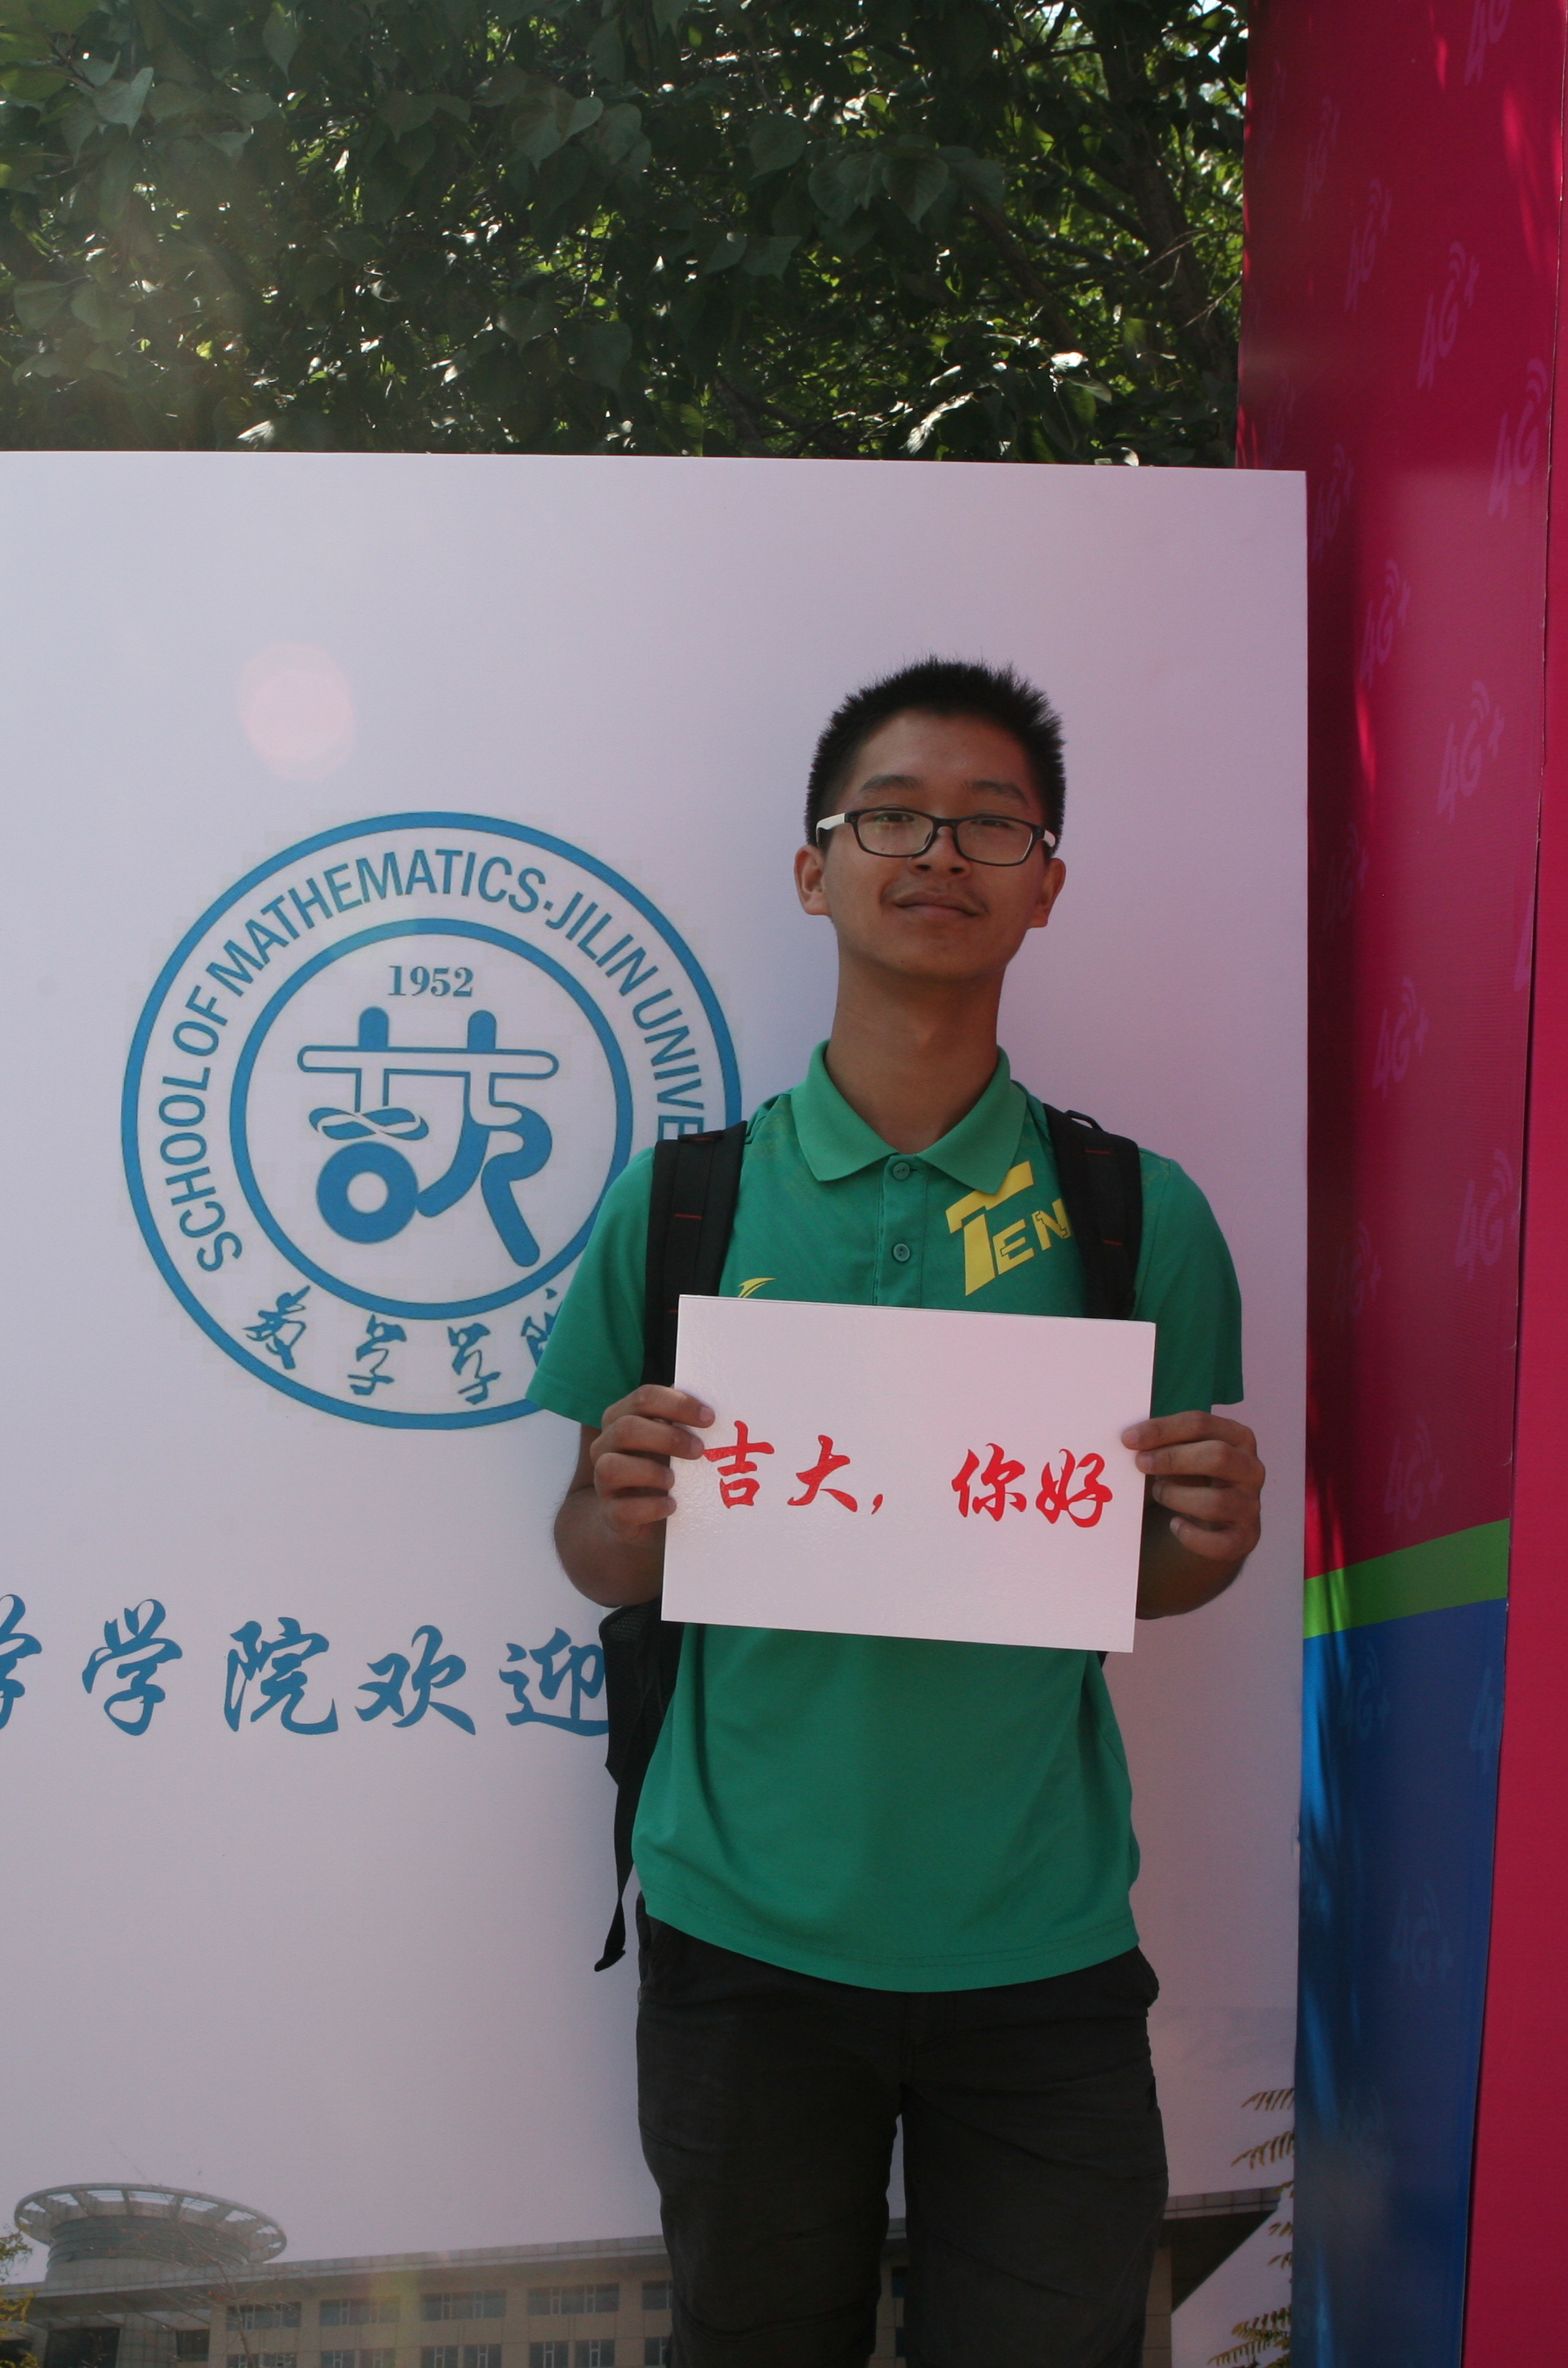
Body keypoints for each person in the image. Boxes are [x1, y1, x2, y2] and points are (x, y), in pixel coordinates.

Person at [528, 660, 1269, 2368]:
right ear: (816, 868)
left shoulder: (1133, 1211)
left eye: (992, 823)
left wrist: (1208, 1544)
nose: (940, 851)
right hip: (740, 1939)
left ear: (1047, 883)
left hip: (1043, 1947)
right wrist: (621, 1504)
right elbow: (589, 1549)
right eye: (893, 816)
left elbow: (1148, 1568)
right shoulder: (686, 1199)